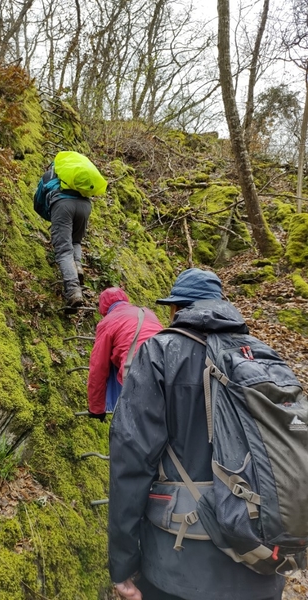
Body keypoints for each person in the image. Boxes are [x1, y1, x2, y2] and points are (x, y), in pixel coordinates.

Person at [108, 268, 285, 600]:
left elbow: (130, 461)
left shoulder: (159, 353)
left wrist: (122, 564)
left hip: (179, 565)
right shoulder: (262, 355)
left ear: (177, 309)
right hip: (262, 559)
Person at [87, 287, 163, 421]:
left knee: (135, 426)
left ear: (103, 308)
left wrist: (97, 408)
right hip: (168, 362)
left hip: (139, 371)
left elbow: (99, 367)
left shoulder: (108, 321)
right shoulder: (147, 312)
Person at [49, 186, 91, 307]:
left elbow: (39, 201)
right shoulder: (79, 174)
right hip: (85, 206)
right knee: (75, 240)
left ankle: (73, 290)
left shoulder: (53, 175)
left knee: (64, 251)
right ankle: (77, 265)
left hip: (63, 205)